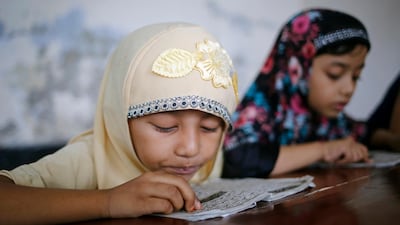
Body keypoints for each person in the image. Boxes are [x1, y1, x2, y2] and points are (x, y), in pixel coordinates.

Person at [0, 22, 238, 224]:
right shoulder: (89, 160)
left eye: (209, 128)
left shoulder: (208, 160)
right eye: (165, 126)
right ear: (120, 119)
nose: (191, 149)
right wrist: (109, 201)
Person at [222, 8, 400, 178]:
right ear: (298, 66)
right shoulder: (260, 110)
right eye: (334, 74)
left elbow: (361, 132)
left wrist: (389, 140)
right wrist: (324, 150)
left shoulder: (327, 120)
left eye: (356, 77)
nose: (349, 89)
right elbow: (238, 158)